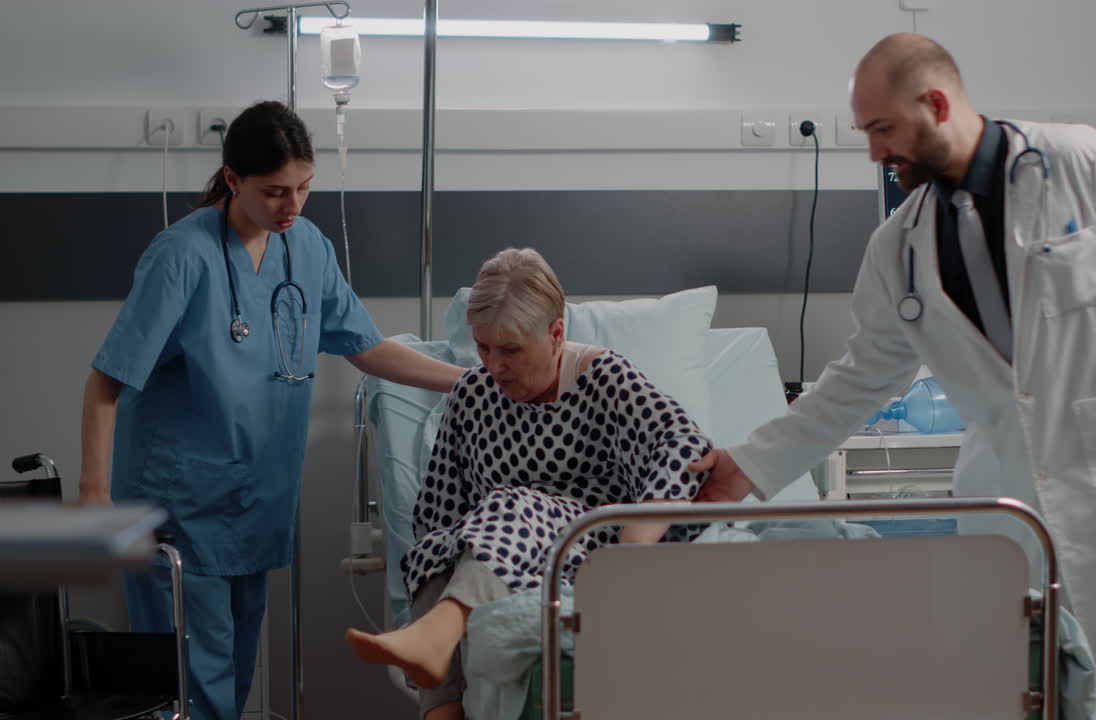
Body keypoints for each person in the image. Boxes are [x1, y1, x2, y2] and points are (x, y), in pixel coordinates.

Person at [691, 33, 1096, 719]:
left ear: (935, 103)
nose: (874, 151)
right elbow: (860, 376)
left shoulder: (1081, 160)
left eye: (882, 128)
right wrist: (748, 464)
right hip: (1007, 498)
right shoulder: (899, 244)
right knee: (1017, 691)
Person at [79, 101, 466, 720]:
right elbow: (107, 377)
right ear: (233, 180)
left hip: (257, 497)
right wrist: (94, 490)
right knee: (190, 680)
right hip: (179, 500)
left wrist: (471, 380)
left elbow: (365, 346)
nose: (292, 206)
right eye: (275, 191)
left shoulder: (307, 247)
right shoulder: (181, 255)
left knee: (232, 674)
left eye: (305, 188)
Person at [344, 248, 711, 720]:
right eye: (483, 348)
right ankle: (440, 703)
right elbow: (437, 517)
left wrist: (635, 539)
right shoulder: (473, 395)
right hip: (488, 557)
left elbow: (685, 444)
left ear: (556, 333)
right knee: (438, 545)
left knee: (517, 502)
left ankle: (438, 635)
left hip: (587, 549)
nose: (495, 366)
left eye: (511, 350)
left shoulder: (603, 379)